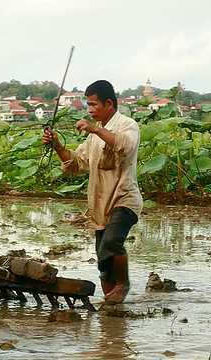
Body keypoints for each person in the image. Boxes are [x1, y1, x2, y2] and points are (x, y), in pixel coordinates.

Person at [42, 80, 143, 304]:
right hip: (100, 205)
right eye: (88, 105)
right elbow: (76, 163)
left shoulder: (127, 125)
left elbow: (124, 147)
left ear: (109, 103)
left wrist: (95, 128)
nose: (90, 110)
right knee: (103, 260)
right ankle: (112, 303)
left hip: (124, 197)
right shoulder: (92, 138)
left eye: (93, 105)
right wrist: (58, 146)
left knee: (111, 243)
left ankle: (124, 284)